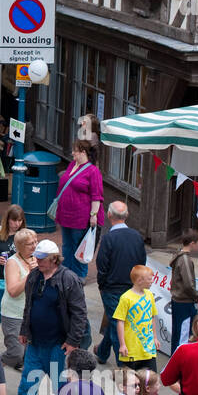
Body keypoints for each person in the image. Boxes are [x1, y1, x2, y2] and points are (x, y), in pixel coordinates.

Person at [0, 240, 88, 395]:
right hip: (36, 343)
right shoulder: (34, 277)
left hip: (59, 345)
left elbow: (80, 314)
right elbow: (28, 307)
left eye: (41, 259)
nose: (37, 261)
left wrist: (73, 341)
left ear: (54, 259)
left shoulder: (69, 279)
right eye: (36, 258)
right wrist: (24, 330)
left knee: (61, 386)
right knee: (27, 383)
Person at [96, 201, 148, 361]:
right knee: (116, 323)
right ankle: (102, 353)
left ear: (109, 215)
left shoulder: (108, 239)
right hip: (131, 287)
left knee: (117, 325)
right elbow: (142, 262)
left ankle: (123, 365)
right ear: (126, 216)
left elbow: (102, 265)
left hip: (112, 289)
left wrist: (102, 285)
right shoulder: (137, 237)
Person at [0, 211, 31, 364]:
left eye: (20, 220)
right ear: (7, 220)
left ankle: (19, 352)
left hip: (17, 282)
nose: (17, 224)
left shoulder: (24, 236)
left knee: (20, 317)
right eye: (14, 220)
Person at [54, 139, 104, 280]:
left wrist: (93, 215)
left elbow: (96, 196)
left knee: (80, 246)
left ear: (83, 152)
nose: (72, 153)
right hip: (65, 215)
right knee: (67, 245)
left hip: (80, 218)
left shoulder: (93, 171)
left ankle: (79, 276)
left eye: (75, 150)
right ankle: (66, 272)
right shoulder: (71, 165)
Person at [112, 265, 158, 371]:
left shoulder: (150, 295)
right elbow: (120, 321)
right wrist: (122, 344)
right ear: (140, 280)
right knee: (130, 382)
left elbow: (152, 317)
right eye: (149, 279)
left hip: (148, 349)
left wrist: (155, 337)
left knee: (150, 380)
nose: (152, 281)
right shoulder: (126, 298)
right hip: (131, 349)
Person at [169, 230, 198, 353]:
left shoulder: (179, 256)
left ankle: (175, 357)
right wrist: (197, 296)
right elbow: (188, 284)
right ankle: (178, 359)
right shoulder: (185, 260)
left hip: (178, 300)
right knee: (183, 333)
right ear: (192, 243)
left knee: (178, 332)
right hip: (184, 301)